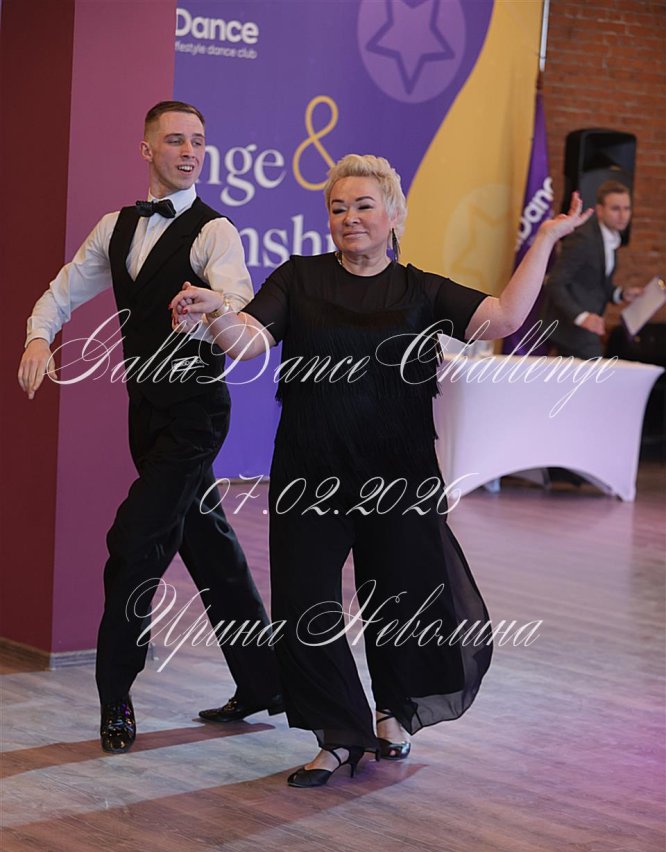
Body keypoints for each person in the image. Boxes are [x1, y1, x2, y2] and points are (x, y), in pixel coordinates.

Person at [171, 154, 591, 788]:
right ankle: (338, 734)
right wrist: (216, 312)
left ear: (394, 214)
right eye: (338, 208)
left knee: (401, 598)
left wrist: (548, 237)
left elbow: (505, 317)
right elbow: (248, 341)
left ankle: (393, 712)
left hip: (399, 472)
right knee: (303, 603)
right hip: (311, 470)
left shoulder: (421, 290)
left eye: (363, 205)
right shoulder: (299, 278)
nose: (350, 217)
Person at [18, 100, 282, 754]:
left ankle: (115, 694)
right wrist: (38, 336)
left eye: (198, 141)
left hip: (197, 413)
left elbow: (239, 305)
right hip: (145, 413)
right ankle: (264, 681)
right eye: (175, 140)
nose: (190, 152)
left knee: (134, 541)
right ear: (147, 149)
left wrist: (215, 304)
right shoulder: (116, 228)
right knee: (211, 547)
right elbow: (63, 290)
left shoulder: (214, 231)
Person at [543, 180, 643, 359]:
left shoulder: (611, 236)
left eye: (627, 208)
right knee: (594, 373)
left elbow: (595, 282)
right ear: (600, 210)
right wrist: (582, 317)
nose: (623, 215)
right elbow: (555, 282)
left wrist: (621, 294)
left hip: (586, 326)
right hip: (570, 327)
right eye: (615, 209)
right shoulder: (583, 239)